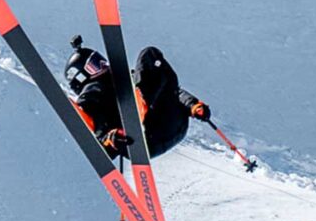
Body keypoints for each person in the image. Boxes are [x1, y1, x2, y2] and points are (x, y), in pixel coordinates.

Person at [63, 36, 210, 160]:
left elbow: (172, 92)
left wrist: (192, 105)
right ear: (80, 77)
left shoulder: (124, 79)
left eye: (101, 61)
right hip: (142, 139)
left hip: (170, 122)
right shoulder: (93, 93)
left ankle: (140, 105)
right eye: (95, 65)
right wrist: (108, 140)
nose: (103, 66)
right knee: (147, 56)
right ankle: (137, 109)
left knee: (152, 60)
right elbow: (96, 122)